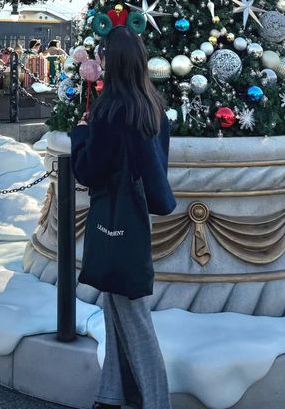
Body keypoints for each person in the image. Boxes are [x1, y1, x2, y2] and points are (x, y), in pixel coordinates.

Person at [71, 26, 175, 409]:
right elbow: (155, 169)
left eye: (102, 57)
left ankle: (157, 402)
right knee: (115, 303)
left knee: (133, 314)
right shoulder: (153, 109)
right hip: (135, 218)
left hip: (113, 219)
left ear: (111, 63)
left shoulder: (110, 112)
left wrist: (80, 135)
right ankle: (110, 394)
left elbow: (89, 171)